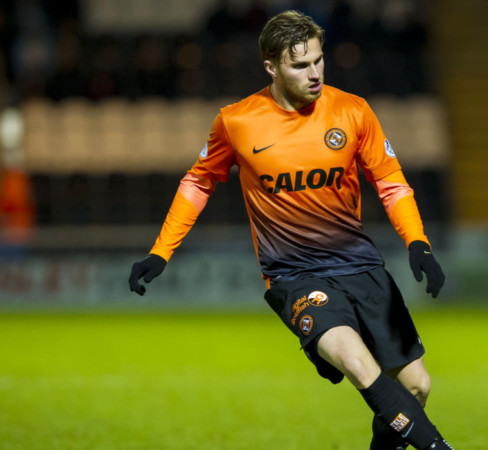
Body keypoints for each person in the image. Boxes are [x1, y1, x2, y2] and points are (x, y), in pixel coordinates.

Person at [129, 10, 453, 450]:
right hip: (294, 276)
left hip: (361, 266)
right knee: (358, 365)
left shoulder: (353, 111)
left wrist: (418, 243)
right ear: (272, 67)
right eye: (300, 65)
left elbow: (391, 183)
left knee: (416, 387)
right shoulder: (237, 121)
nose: (315, 73)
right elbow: (198, 181)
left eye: (319, 60)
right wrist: (160, 251)